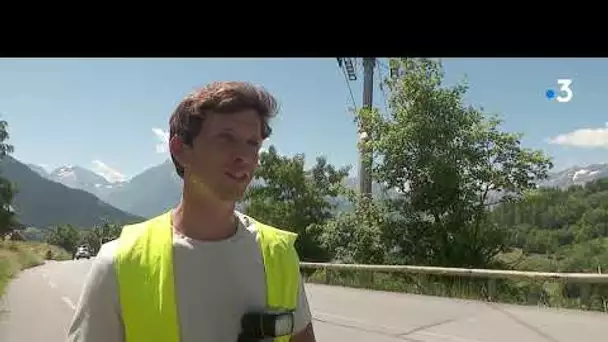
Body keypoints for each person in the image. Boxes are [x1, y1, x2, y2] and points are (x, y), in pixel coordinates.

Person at [67, 81, 317, 342]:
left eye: (252, 143)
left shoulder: (279, 253)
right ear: (180, 149)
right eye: (226, 138)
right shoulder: (118, 263)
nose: (243, 155)